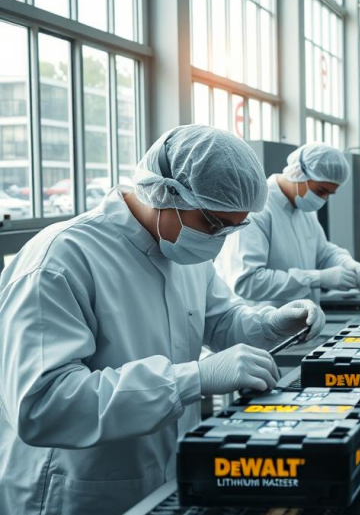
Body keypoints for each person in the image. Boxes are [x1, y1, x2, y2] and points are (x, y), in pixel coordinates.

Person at [0, 125, 327, 515]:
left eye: (232, 228)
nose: (219, 240)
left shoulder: (183, 250)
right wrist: (194, 378)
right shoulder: (60, 261)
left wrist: (271, 324)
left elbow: (221, 320)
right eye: (213, 224)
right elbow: (44, 405)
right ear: (167, 192)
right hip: (76, 489)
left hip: (165, 475)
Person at [217, 142, 360, 307]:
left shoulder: (303, 208)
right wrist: (316, 278)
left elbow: (322, 251)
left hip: (301, 323)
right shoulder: (256, 210)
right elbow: (247, 282)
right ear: (298, 173)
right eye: (321, 191)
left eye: (329, 194)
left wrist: (346, 262)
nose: (324, 199)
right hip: (258, 325)